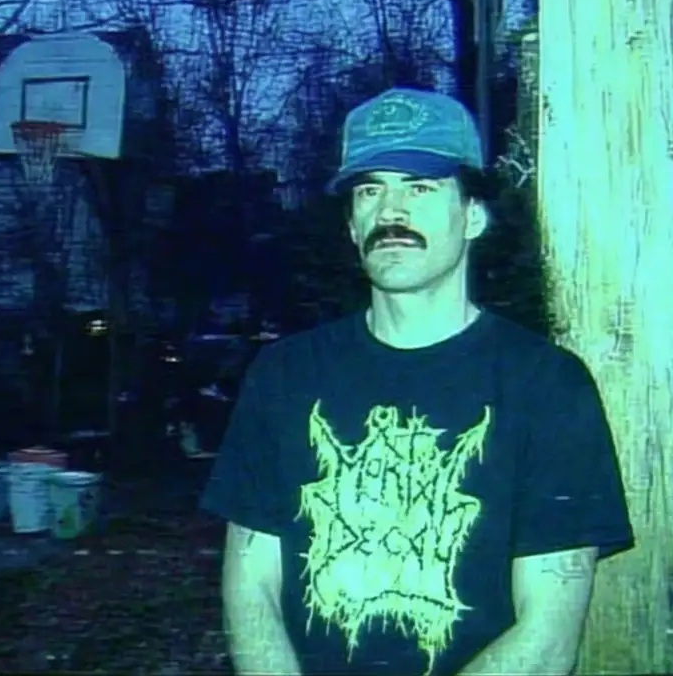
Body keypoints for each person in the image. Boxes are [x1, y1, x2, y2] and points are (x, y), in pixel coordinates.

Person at [200, 88, 634, 676]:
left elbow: (548, 638)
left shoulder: (547, 386)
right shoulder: (284, 375)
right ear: (351, 224)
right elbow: (251, 585)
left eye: (421, 188)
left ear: (473, 216)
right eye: (369, 190)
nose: (390, 212)